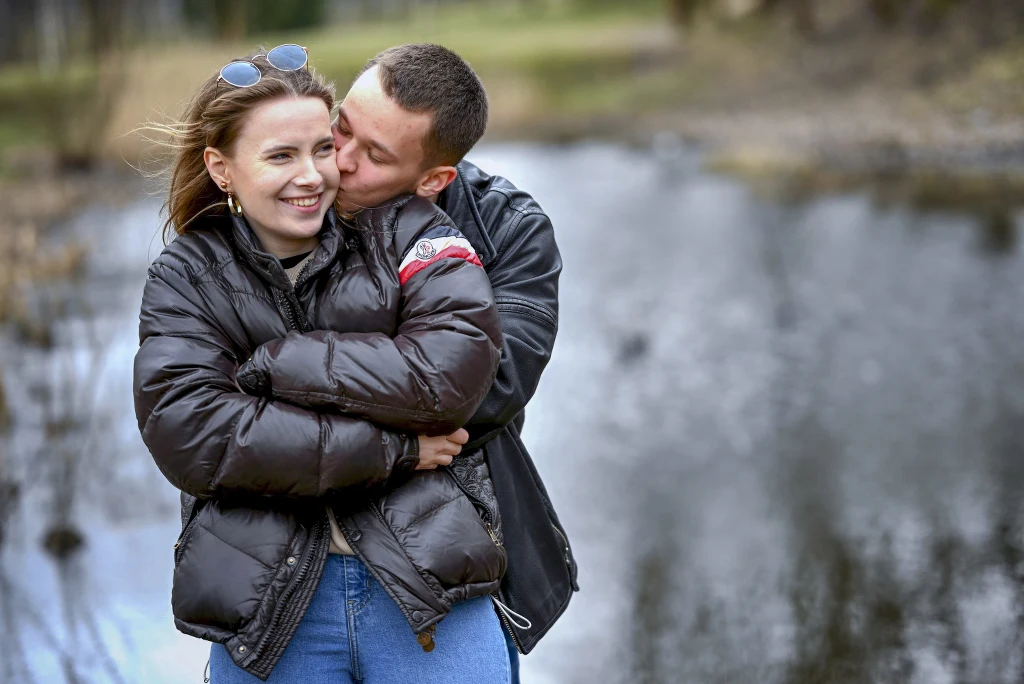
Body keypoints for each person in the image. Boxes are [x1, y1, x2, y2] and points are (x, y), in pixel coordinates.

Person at [133, 45, 515, 682]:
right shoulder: (186, 277)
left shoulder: (412, 232)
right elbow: (196, 436)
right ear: (221, 168)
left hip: (426, 588)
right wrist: (395, 450)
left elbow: (448, 378)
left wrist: (279, 365)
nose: (315, 173)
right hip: (267, 608)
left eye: (319, 146)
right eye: (281, 156)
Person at [324, 44, 581, 678]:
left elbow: (485, 390)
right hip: (283, 569)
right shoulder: (282, 192)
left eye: (375, 156)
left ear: (434, 179)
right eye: (340, 127)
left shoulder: (511, 231)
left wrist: (298, 387)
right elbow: (217, 397)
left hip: (450, 558)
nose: (338, 163)